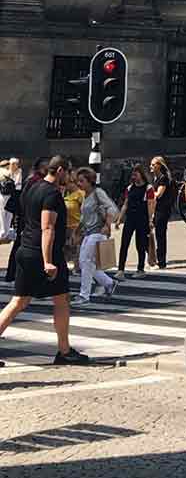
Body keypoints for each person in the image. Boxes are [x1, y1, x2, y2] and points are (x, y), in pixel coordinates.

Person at [0, 156, 89, 365]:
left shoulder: (32, 187)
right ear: (59, 171)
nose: (70, 177)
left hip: (25, 249)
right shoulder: (52, 194)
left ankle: (65, 350)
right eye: (68, 172)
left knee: (19, 302)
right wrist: (48, 261)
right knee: (62, 300)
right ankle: (65, 351)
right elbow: (47, 227)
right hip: (43, 254)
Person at [72, 167, 119, 305]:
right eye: (78, 181)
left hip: (98, 233)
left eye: (81, 181)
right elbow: (83, 218)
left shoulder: (98, 193)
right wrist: (77, 232)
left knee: (86, 262)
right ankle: (109, 283)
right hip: (88, 233)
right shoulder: (86, 196)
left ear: (90, 181)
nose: (79, 184)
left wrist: (107, 225)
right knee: (86, 263)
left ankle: (84, 295)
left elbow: (112, 208)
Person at [115, 165, 152, 279]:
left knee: (140, 245)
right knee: (124, 243)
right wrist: (119, 219)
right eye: (133, 175)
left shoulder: (148, 188)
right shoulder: (130, 188)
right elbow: (125, 204)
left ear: (141, 174)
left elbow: (150, 204)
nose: (134, 177)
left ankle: (140, 269)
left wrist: (151, 220)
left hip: (142, 219)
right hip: (130, 218)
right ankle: (121, 270)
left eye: (136, 174)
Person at [148, 156, 174, 270]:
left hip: (162, 210)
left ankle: (161, 262)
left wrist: (148, 193)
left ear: (159, 166)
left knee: (160, 235)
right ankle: (156, 259)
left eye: (153, 165)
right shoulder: (156, 178)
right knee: (156, 234)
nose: (151, 166)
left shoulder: (163, 179)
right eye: (151, 164)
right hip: (157, 209)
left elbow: (159, 194)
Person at [61, 169, 84, 271]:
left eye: (67, 184)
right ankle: (65, 267)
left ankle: (77, 268)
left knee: (76, 248)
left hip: (76, 226)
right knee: (66, 249)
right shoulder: (65, 194)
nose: (65, 186)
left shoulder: (80, 194)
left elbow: (84, 212)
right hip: (65, 226)